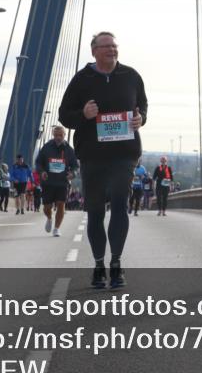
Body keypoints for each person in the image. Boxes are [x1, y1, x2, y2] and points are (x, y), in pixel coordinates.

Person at [58, 31, 147, 290]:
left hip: (124, 155)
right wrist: (83, 114)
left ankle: (116, 264)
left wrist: (141, 120)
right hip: (93, 156)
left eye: (114, 46)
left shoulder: (131, 76)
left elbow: (143, 106)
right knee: (95, 212)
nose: (111, 50)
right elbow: (65, 115)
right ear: (94, 51)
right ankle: (99, 265)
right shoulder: (82, 79)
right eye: (106, 46)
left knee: (120, 205)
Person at [34, 125, 79, 237]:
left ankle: (57, 228)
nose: (58, 137)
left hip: (62, 182)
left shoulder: (69, 150)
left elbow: (76, 166)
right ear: (53, 135)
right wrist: (42, 172)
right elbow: (38, 163)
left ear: (64, 135)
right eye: (56, 135)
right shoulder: (46, 147)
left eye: (61, 135)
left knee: (61, 204)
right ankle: (49, 218)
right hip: (48, 182)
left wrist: (73, 173)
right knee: (47, 207)